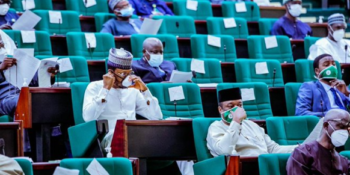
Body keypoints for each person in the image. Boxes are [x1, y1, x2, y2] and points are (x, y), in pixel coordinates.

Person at [83, 47, 163, 155]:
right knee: (123, 138)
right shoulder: (95, 87)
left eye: (129, 73)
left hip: (134, 135)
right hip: (108, 138)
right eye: (122, 74)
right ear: (110, 72)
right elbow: (88, 117)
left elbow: (156, 117)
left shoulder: (133, 90)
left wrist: (145, 91)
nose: (127, 78)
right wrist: (105, 90)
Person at [206, 87, 297, 157]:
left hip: (265, 165)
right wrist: (236, 122)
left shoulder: (252, 124)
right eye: (231, 106)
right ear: (220, 109)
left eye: (239, 105)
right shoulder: (216, 127)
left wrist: (298, 148)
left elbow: (273, 149)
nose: (236, 109)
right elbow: (224, 151)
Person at [0, 30, 57, 117]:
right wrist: (1, 68)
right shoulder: (3, 64)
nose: (1, 44)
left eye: (1, 41)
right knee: (24, 100)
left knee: (48, 98)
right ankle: (24, 130)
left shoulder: (14, 57)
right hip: (3, 99)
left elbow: (33, 81)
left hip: (24, 93)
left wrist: (49, 75)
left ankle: (49, 130)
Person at [287, 109, 350, 174]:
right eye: (341, 127)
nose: (345, 132)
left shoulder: (344, 162)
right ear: (326, 125)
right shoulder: (303, 154)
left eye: (348, 129)